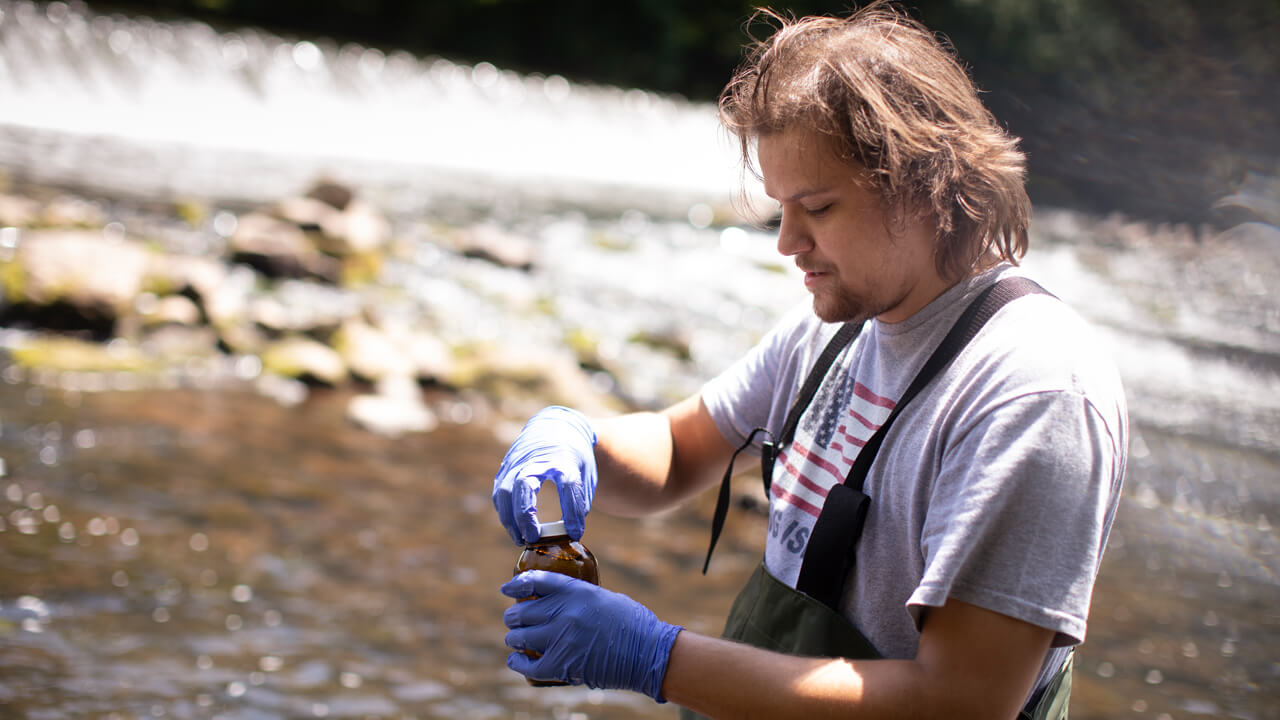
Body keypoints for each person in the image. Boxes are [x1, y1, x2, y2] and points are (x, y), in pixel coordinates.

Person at [492, 3, 1128, 718]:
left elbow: (961, 702)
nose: (786, 242)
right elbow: (679, 448)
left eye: (817, 208)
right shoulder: (837, 325)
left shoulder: (1034, 395)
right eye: (779, 208)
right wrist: (578, 439)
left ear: (927, 185)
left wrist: (657, 658)